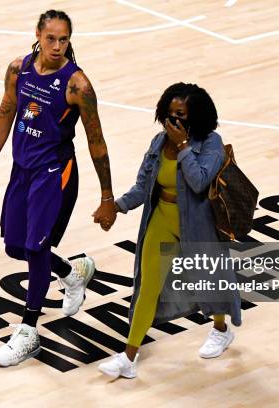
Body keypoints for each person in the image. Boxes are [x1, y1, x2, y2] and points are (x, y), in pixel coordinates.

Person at [0, 9, 116, 367]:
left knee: (36, 249)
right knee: (16, 248)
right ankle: (72, 271)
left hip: (55, 174)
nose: (57, 46)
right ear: (37, 33)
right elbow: (3, 119)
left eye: (64, 40)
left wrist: (107, 196)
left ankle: (28, 332)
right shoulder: (18, 70)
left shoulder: (77, 85)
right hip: (23, 171)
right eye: (51, 38)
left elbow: (97, 142)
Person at [97, 83, 242, 379]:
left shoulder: (211, 143)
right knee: (147, 287)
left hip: (199, 226)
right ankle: (129, 357)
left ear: (197, 117)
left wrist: (183, 148)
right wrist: (117, 206)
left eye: (181, 115)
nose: (174, 121)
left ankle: (221, 329)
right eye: (170, 114)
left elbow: (199, 181)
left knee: (209, 283)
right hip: (162, 218)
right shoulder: (157, 142)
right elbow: (143, 186)